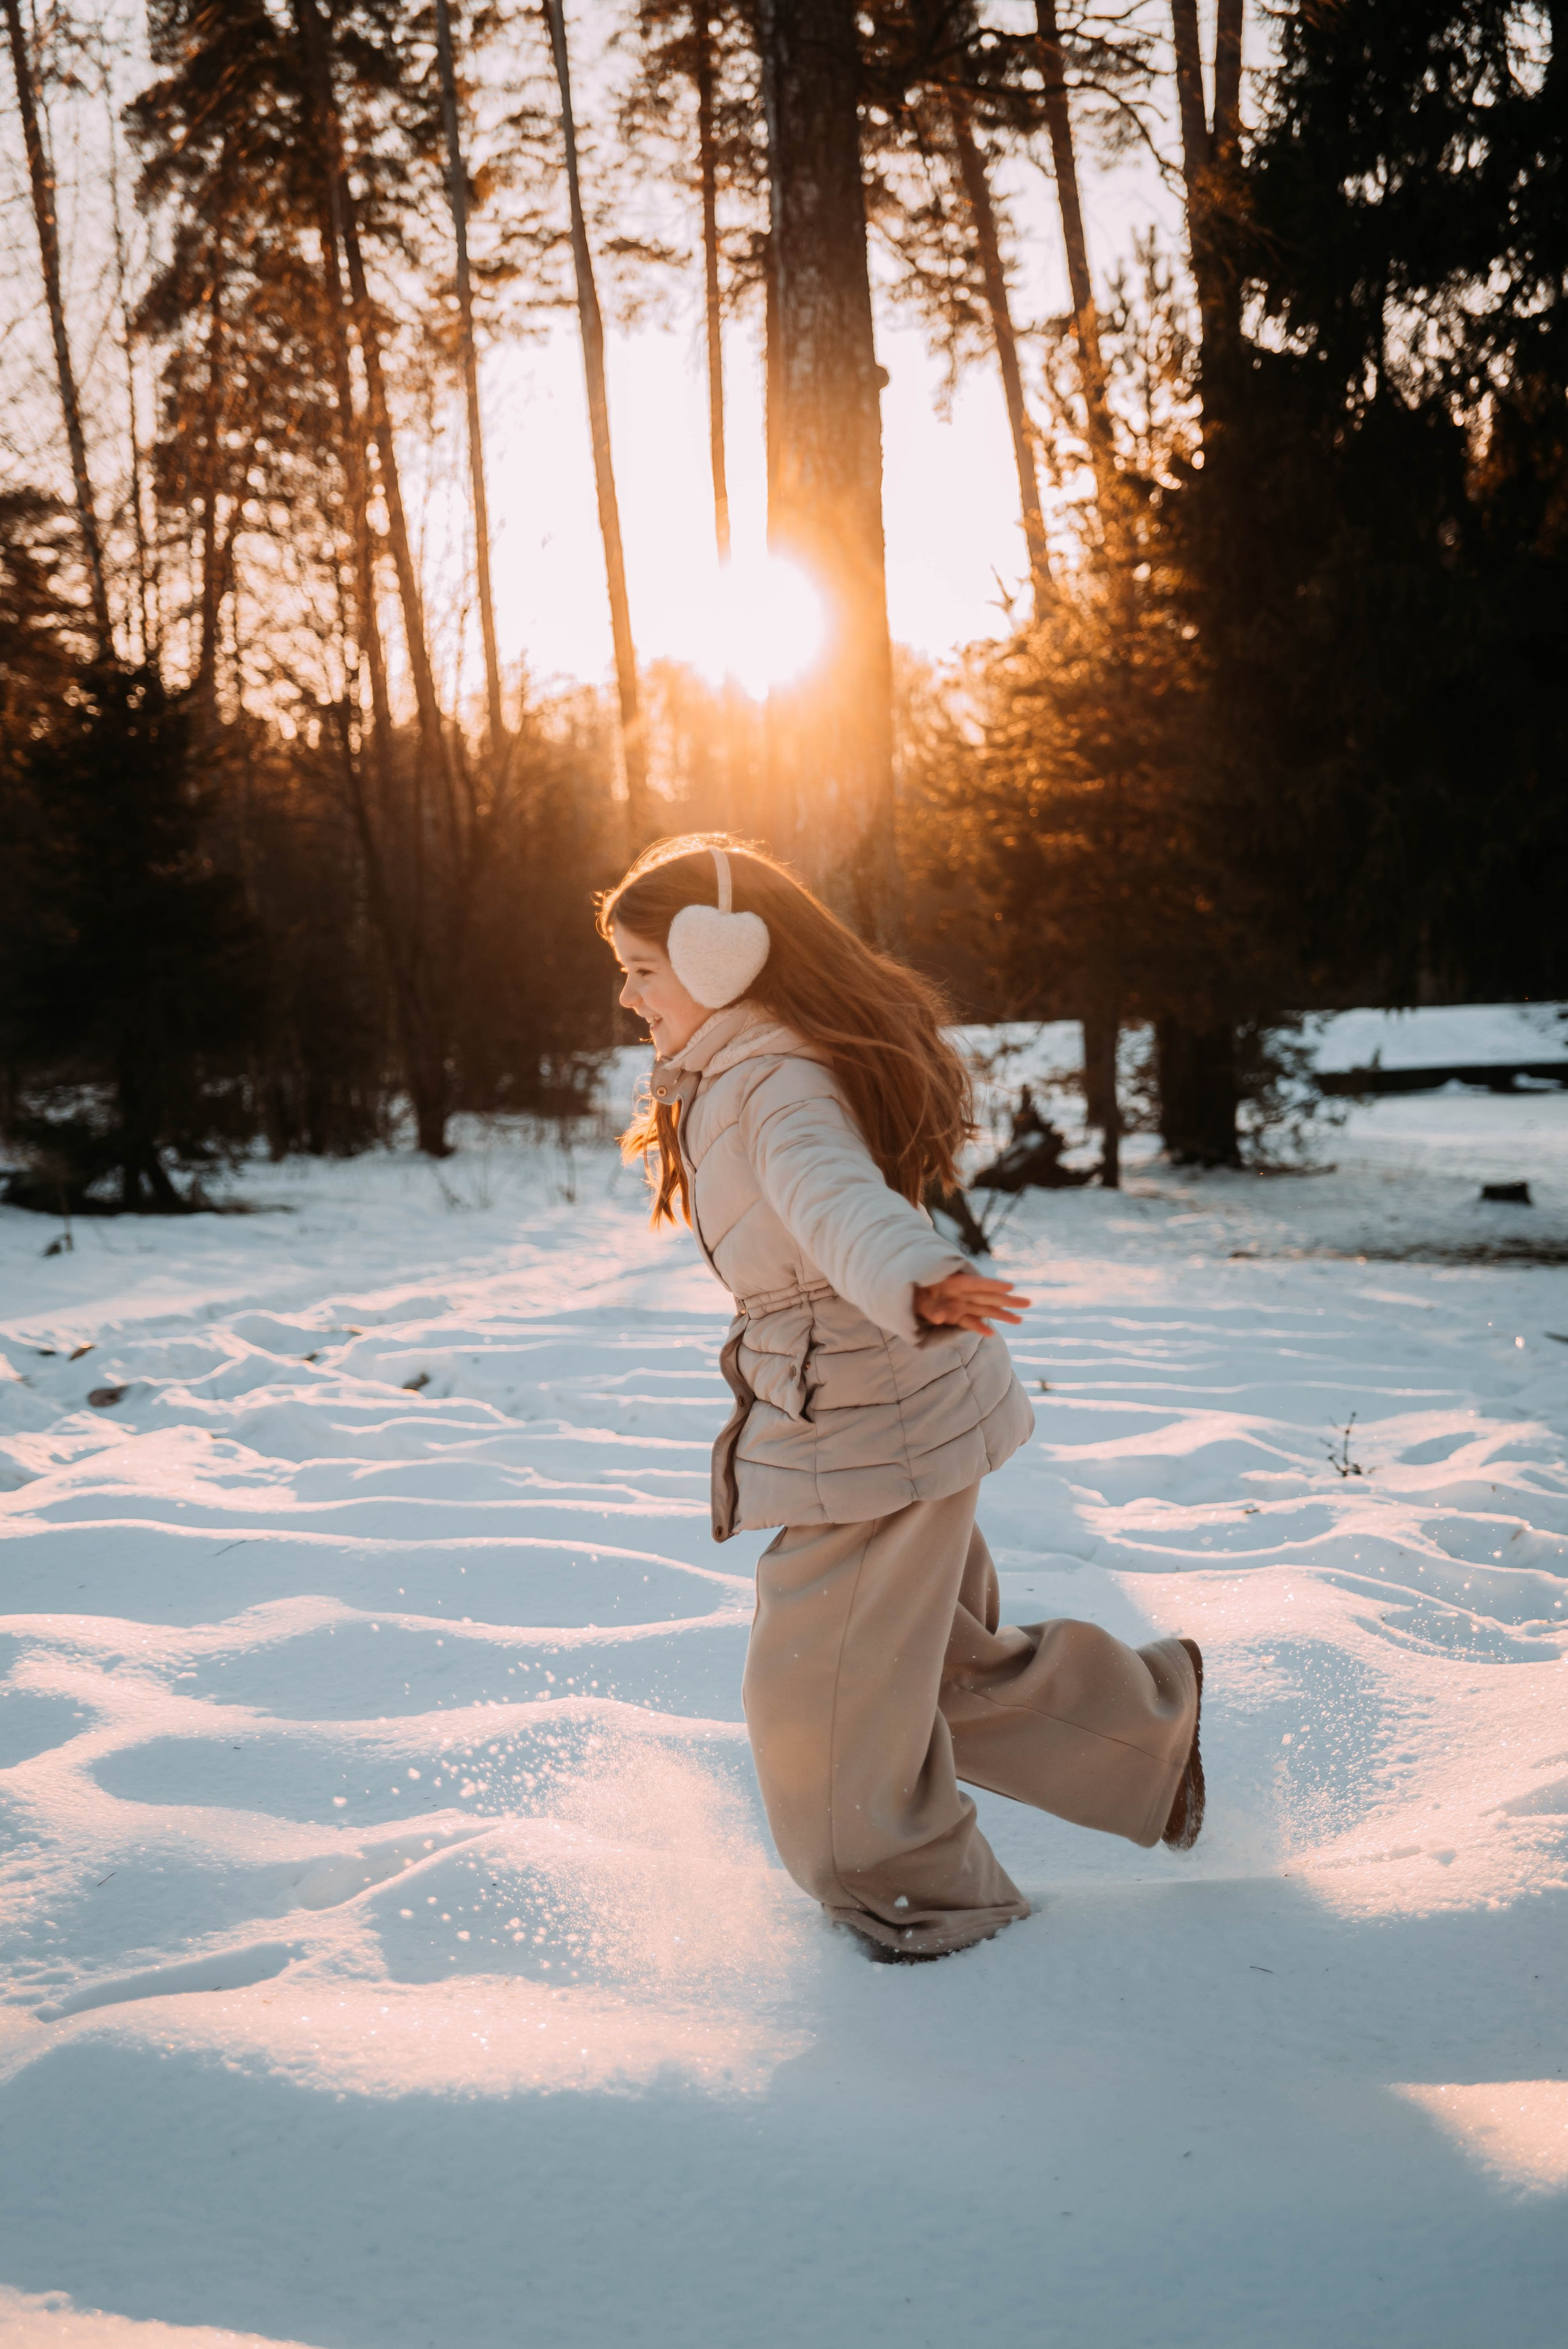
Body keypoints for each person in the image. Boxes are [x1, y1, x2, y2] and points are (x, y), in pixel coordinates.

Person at [599, 834, 1204, 1961]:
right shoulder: (734, 1066)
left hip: (870, 1418)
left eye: (642, 968)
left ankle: (932, 1917)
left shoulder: (772, 1081)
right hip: (870, 1404)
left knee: (817, 1709)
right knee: (924, 1665)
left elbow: (840, 1202)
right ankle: (1144, 1735)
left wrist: (916, 1279)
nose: (626, 993)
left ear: (721, 958)